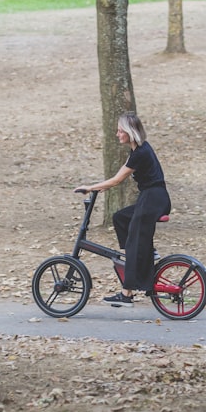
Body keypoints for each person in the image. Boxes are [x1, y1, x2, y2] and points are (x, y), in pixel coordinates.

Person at [75, 112, 171, 306]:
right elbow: (117, 178)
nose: (117, 134)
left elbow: (117, 180)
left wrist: (90, 187)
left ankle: (126, 294)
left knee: (135, 241)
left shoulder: (141, 152)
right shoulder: (137, 151)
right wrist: (99, 188)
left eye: (120, 131)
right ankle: (143, 253)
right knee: (120, 218)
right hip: (152, 197)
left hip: (153, 198)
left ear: (129, 132)